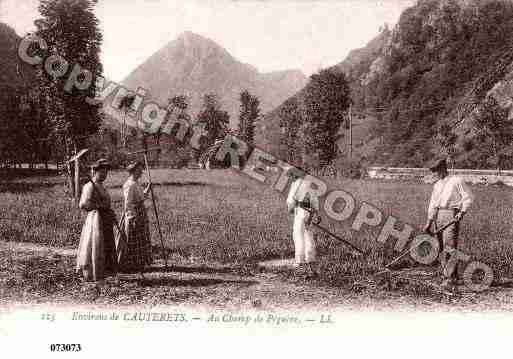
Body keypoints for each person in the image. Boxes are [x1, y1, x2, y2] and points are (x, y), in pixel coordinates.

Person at [423, 157, 474, 288]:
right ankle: (451, 275)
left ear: (442, 169)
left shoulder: (457, 180)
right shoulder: (437, 185)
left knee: (449, 245)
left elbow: (468, 197)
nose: (433, 173)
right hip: (438, 215)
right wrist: (429, 222)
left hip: (451, 214)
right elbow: (433, 204)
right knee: (440, 247)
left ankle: (449, 278)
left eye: (435, 170)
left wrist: (461, 212)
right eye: (432, 171)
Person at [76, 158, 118, 282]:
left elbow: (106, 203)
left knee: (106, 245)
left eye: (106, 172)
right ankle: (93, 272)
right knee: (96, 245)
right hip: (95, 220)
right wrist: (100, 206)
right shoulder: (89, 186)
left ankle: (105, 272)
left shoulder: (100, 186)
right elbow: (83, 204)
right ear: (95, 171)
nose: (105, 175)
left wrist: (108, 210)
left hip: (105, 219)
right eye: (102, 172)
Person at [117, 161, 153, 274]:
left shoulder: (136, 183)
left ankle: (140, 263)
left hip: (141, 213)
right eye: (139, 170)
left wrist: (148, 188)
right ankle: (131, 264)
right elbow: (128, 203)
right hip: (134, 214)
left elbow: (141, 197)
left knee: (142, 238)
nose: (141, 172)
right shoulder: (129, 184)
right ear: (133, 171)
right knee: (133, 239)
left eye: (141, 169)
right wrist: (132, 216)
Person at [286, 175, 317, 277]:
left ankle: (300, 263)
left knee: (298, 236)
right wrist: (314, 214)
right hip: (310, 212)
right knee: (309, 236)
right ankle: (311, 262)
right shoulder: (311, 184)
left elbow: (290, 203)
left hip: (300, 212)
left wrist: (291, 208)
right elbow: (315, 203)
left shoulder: (295, 184)